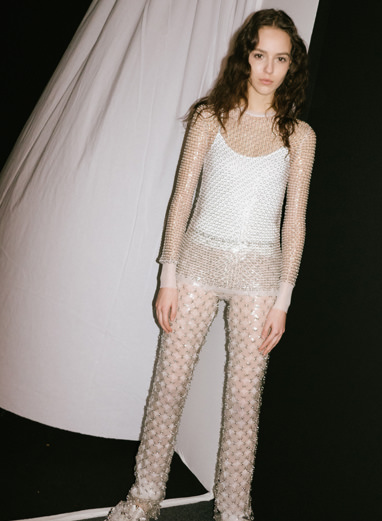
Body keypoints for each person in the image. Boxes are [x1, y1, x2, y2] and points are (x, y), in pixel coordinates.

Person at [107, 9, 316, 521]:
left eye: (281, 59)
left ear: (292, 66)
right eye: (260, 55)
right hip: (197, 265)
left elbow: (294, 223)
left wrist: (284, 300)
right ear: (246, 56)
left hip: (260, 277)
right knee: (169, 384)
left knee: (244, 401)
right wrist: (168, 276)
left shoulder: (300, 136)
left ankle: (234, 511)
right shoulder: (210, 118)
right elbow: (181, 199)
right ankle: (144, 497)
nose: (268, 68)